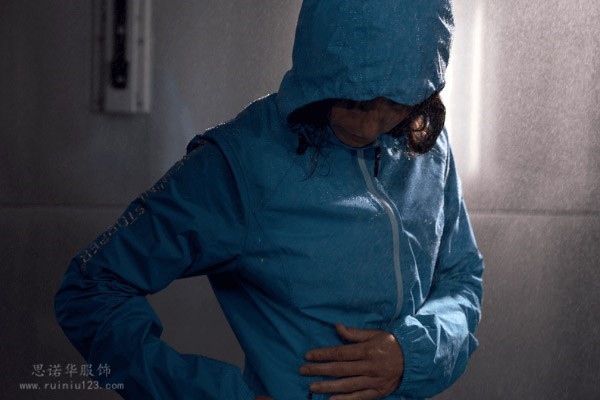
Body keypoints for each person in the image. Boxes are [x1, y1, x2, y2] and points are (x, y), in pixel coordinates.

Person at [54, 1, 484, 399]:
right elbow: (90, 290)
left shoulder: (424, 140)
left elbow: (461, 275)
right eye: (354, 102)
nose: (370, 126)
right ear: (322, 69)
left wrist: (412, 354)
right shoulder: (242, 162)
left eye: (393, 104)